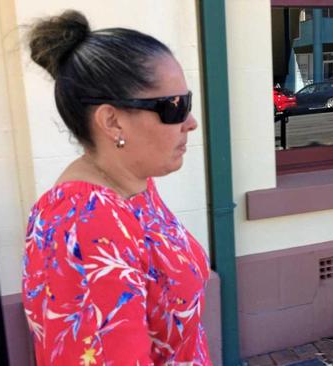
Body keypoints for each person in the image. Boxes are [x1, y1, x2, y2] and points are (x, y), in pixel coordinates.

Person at [21, 10, 212, 365]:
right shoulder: (83, 223)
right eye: (174, 107)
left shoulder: (135, 186)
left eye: (188, 102)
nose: (190, 122)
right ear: (112, 121)